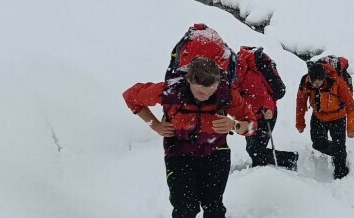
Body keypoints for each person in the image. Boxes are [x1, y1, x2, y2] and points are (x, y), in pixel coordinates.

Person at [123, 57, 257, 218]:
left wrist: (234, 125)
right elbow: (131, 96)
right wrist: (156, 125)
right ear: (189, 80)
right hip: (179, 154)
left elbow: (251, 125)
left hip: (216, 153)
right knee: (185, 209)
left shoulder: (225, 93)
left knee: (214, 207)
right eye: (200, 91)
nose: (206, 96)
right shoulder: (171, 91)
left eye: (211, 90)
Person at [234, 47, 297, 169]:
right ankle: (286, 160)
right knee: (252, 148)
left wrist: (268, 110)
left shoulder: (249, 76)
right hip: (249, 115)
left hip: (265, 116)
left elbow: (264, 97)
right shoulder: (233, 76)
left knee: (255, 150)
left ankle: (267, 172)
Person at [296, 63, 354, 179]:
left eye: (318, 83)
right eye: (313, 82)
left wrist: (351, 127)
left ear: (324, 78)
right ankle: (338, 153)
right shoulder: (306, 82)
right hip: (318, 116)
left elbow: (350, 103)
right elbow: (301, 102)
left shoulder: (336, 82)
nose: (314, 85)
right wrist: (300, 122)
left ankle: (341, 173)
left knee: (339, 145)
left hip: (338, 117)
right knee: (318, 143)